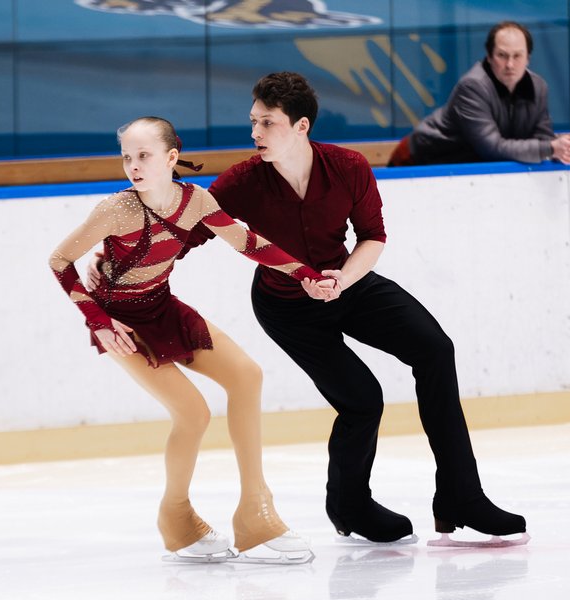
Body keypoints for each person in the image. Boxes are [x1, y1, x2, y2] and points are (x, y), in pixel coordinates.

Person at [93, 73, 528, 547]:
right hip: (287, 308)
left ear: (301, 126)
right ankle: (350, 506)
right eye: (253, 121)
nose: (255, 132)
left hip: (349, 284)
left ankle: (461, 497)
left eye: (267, 123)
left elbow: (373, 236)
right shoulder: (241, 182)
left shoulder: (347, 166)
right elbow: (179, 233)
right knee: (362, 399)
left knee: (435, 350)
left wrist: (343, 279)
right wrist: (114, 270)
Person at [48, 116, 334, 563]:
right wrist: (98, 320)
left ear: (171, 157)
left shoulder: (195, 200)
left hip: (162, 306)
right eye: (127, 157)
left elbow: (247, 242)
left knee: (247, 375)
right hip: (121, 324)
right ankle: (176, 518)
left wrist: (305, 274)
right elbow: (60, 260)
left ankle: (255, 511)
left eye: (144, 155)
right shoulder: (116, 209)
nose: (133, 166)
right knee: (193, 413)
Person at [387, 21, 570, 167]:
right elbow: (492, 148)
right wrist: (551, 148)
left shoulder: (538, 87)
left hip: (467, 164)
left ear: (528, 58)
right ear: (489, 57)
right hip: (418, 159)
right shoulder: (472, 87)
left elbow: (543, 139)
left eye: (517, 56)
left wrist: (566, 148)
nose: (510, 64)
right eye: (502, 55)